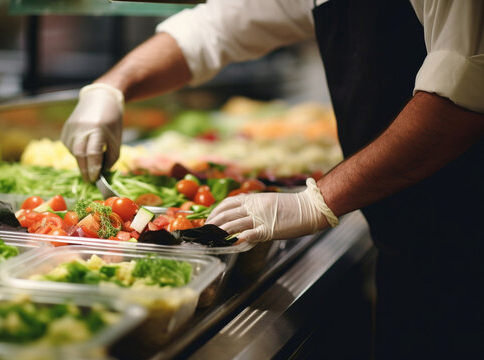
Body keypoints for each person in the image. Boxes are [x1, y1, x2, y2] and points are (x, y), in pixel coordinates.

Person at [61, 0, 484, 358]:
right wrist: (111, 87)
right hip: (408, 238)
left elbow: (463, 95)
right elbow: (215, 27)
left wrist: (317, 201)